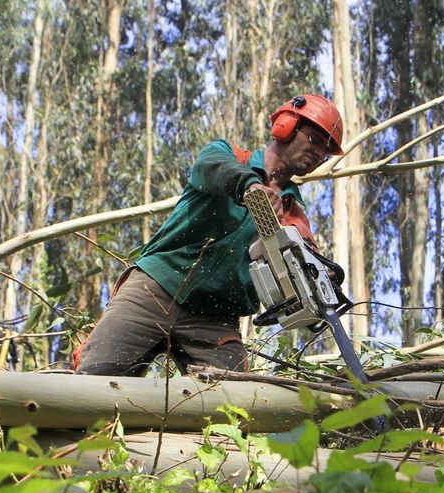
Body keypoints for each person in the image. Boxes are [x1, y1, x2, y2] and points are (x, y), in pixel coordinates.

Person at [74, 94, 344, 376]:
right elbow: (211, 166)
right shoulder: (225, 155)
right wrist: (248, 185)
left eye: (324, 151)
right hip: (155, 289)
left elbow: (306, 255)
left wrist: (322, 277)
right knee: (94, 383)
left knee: (232, 407)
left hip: (216, 320)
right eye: (313, 139)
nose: (317, 154)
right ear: (286, 126)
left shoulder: (292, 212)